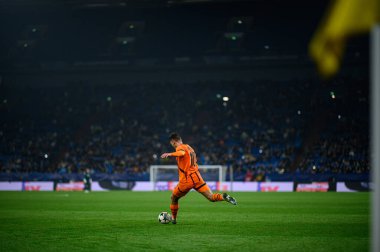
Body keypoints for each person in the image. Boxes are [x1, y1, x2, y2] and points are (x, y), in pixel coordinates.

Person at [161, 133, 237, 224]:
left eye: (171, 143)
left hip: (187, 179)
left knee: (173, 198)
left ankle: (173, 219)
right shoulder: (189, 147)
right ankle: (223, 197)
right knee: (211, 197)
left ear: (174, 142)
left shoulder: (180, 148)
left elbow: (182, 153)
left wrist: (170, 154)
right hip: (197, 177)